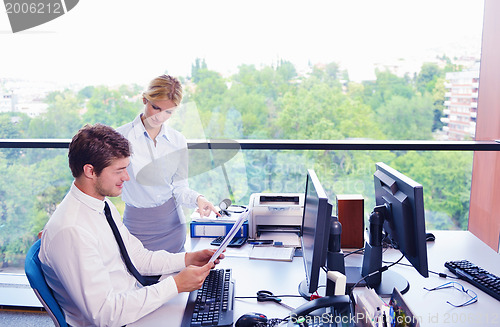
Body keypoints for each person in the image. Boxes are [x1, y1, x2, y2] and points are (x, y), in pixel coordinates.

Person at [39, 124, 223, 327]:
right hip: (118, 320)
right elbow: (105, 314)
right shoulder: (72, 230)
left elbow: (138, 257)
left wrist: (188, 259)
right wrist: (176, 285)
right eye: (119, 171)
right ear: (90, 171)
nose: (127, 177)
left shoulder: (102, 205)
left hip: (132, 302)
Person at [117, 74, 219, 253]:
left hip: (172, 228)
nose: (159, 117)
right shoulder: (120, 138)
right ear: (144, 100)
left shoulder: (177, 141)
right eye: (156, 107)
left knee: (178, 278)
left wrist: (198, 199)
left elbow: (179, 188)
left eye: (168, 112)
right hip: (135, 230)